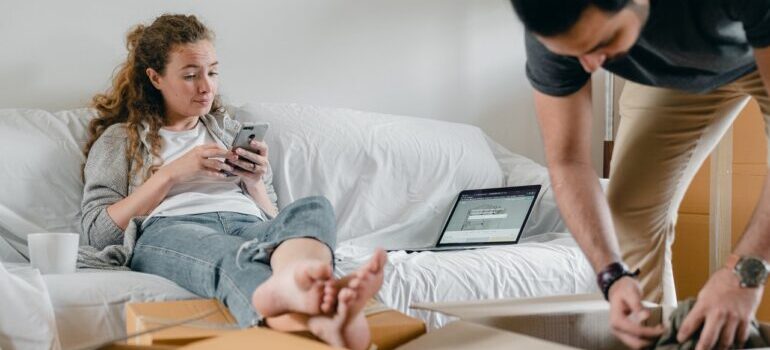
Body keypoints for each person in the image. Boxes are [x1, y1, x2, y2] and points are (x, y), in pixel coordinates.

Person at [80, 14, 384, 350]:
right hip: (171, 228)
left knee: (314, 208)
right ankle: (312, 314)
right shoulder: (119, 139)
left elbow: (274, 221)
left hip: (247, 223)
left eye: (212, 72)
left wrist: (254, 183)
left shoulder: (226, 129)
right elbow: (96, 232)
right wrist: (170, 174)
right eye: (191, 75)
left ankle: (295, 287)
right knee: (234, 258)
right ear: (155, 77)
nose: (206, 86)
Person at [509, 0, 770, 348]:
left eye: (602, 42)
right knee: (628, 218)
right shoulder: (554, 29)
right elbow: (568, 161)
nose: (588, 64)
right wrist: (611, 275)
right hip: (672, 80)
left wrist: (745, 272)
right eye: (575, 53)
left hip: (758, 46)